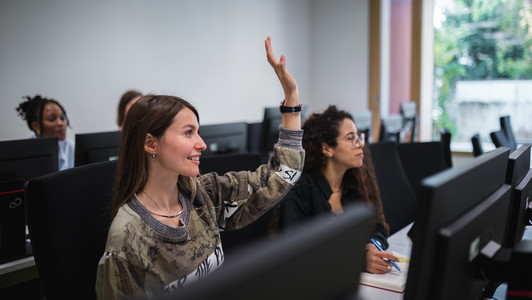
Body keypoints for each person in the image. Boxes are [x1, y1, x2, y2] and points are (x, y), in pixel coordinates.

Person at [95, 36, 304, 299]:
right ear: (151, 143)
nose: (202, 144)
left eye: (199, 132)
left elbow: (282, 174)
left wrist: (291, 98)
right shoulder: (127, 239)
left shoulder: (203, 195)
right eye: (188, 133)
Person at [277, 105, 399, 274]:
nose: (361, 143)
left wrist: (372, 245)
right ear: (327, 148)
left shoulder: (355, 183)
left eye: (359, 136)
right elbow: (297, 255)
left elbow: (378, 226)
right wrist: (357, 259)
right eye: (351, 138)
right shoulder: (299, 190)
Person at [16, 95, 74, 171]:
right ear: (36, 126)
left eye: (62, 118)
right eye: (52, 119)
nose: (61, 123)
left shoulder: (73, 147)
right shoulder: (23, 152)